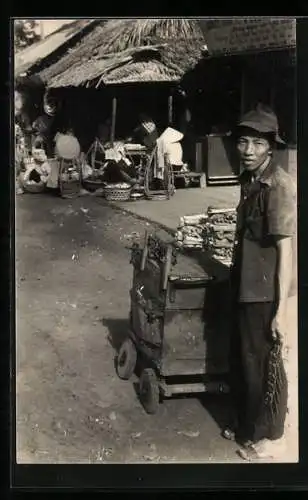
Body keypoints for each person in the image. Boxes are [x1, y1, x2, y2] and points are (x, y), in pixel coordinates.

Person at [223, 105, 297, 460]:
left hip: (265, 291)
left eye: (257, 144)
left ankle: (273, 437)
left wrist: (281, 311)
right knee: (245, 360)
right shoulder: (250, 179)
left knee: (266, 364)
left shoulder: (279, 186)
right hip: (245, 283)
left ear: (271, 147)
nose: (248, 151)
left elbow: (286, 251)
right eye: (243, 142)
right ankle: (250, 427)